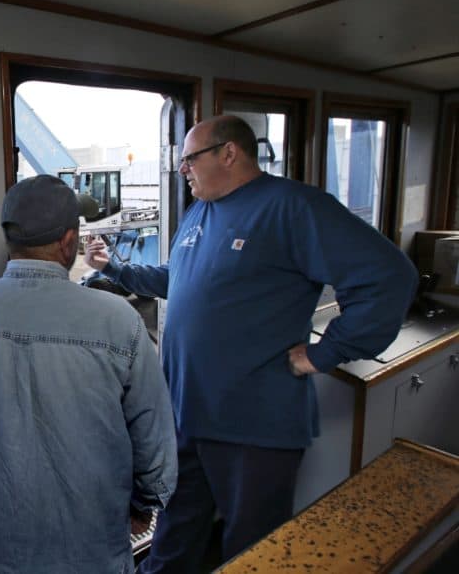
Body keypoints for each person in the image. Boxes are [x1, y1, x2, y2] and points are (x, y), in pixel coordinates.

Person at [84, 115, 419, 571]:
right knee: (176, 529)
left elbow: (390, 277)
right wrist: (114, 269)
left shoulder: (294, 208)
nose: (182, 169)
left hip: (255, 422)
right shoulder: (200, 210)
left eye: (189, 159)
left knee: (252, 547)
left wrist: (325, 353)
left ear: (229, 153)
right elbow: (178, 280)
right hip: (189, 412)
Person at [0, 174, 178, 574]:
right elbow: (153, 436)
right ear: (67, 242)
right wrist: (146, 503)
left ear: (10, 239)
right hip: (92, 550)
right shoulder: (117, 321)